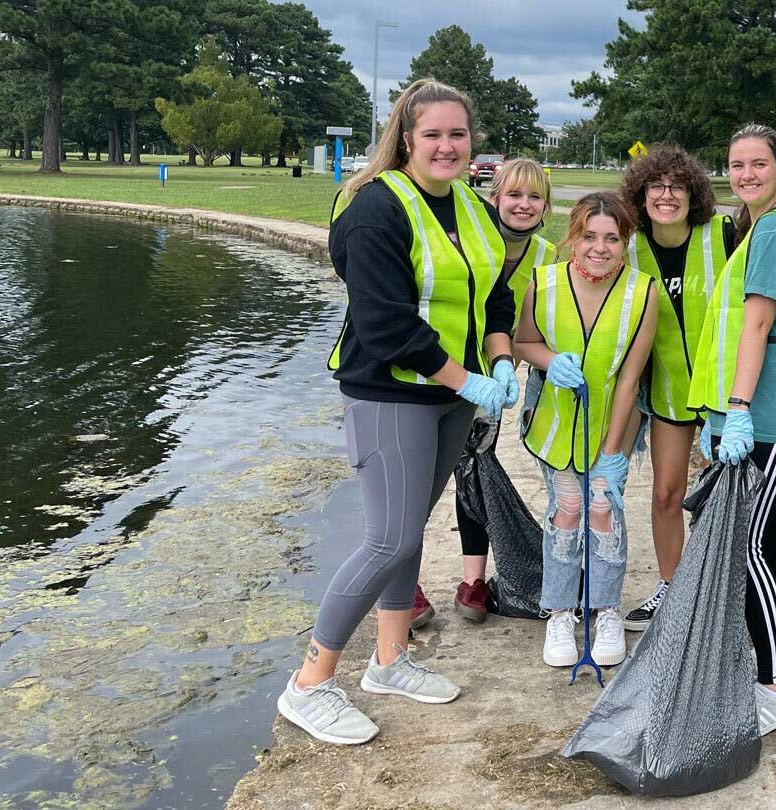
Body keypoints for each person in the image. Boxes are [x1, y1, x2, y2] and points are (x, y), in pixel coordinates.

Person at [277, 78, 519, 745]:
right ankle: (310, 683)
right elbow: (385, 327)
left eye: (458, 134)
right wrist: (468, 380)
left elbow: (497, 295)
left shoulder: (472, 208)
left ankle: (388, 661)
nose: (447, 146)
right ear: (407, 138)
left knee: (409, 530)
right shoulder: (374, 210)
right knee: (387, 538)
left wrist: (497, 360)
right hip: (389, 394)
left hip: (450, 395)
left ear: (473, 143)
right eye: (433, 134)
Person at [687, 125, 776, 737]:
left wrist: (737, 406)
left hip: (771, 414)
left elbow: (758, 326)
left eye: (758, 164)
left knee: (749, 544)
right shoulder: (753, 226)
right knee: (760, 537)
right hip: (749, 411)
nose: (745, 174)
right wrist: (723, 411)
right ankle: (758, 664)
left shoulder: (775, 230)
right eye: (736, 164)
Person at [514, 192, 658, 670]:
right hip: (555, 424)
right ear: (573, 237)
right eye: (590, 236)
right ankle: (559, 610)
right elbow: (524, 341)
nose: (600, 247)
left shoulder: (643, 292)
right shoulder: (545, 281)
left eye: (612, 238)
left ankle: (605, 608)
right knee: (567, 507)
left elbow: (631, 377)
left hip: (610, 425)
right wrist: (550, 361)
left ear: (626, 242)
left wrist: (614, 450)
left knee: (602, 504)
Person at [617, 147, 735, 632]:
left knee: (717, 497)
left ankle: (717, 592)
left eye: (678, 186)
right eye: (656, 187)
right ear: (642, 196)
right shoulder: (629, 246)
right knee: (667, 493)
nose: (667, 196)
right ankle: (672, 588)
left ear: (694, 194)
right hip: (667, 396)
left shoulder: (723, 236)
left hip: (723, 397)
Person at [439, 157, 559, 624]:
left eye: (533, 197)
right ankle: (403, 586)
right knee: (427, 474)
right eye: (513, 194)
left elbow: (544, 329)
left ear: (545, 206)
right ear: (495, 198)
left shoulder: (548, 258)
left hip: (500, 376)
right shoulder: (469, 242)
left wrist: (513, 364)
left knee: (474, 467)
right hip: (446, 367)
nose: (523, 205)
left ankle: (473, 581)